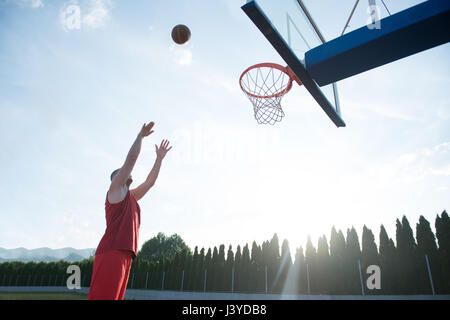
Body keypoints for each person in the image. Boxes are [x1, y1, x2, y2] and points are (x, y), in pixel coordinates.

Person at [88, 122, 172, 300]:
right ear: (116, 178)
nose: (126, 173)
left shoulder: (130, 196)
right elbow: (131, 160)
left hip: (125, 253)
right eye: (120, 173)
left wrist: (159, 159)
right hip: (112, 251)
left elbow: (150, 183)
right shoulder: (115, 190)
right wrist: (140, 136)